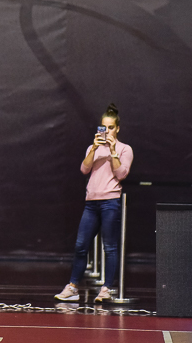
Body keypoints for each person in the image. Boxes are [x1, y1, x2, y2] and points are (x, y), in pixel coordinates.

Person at [55, 104, 133, 303]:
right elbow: (84, 169)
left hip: (110, 202)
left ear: (118, 129)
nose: (107, 131)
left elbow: (121, 174)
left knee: (110, 247)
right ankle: (73, 287)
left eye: (111, 128)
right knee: (81, 246)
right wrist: (95, 148)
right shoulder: (93, 148)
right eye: (103, 127)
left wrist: (113, 152)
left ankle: (106, 289)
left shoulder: (125, 149)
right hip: (91, 203)